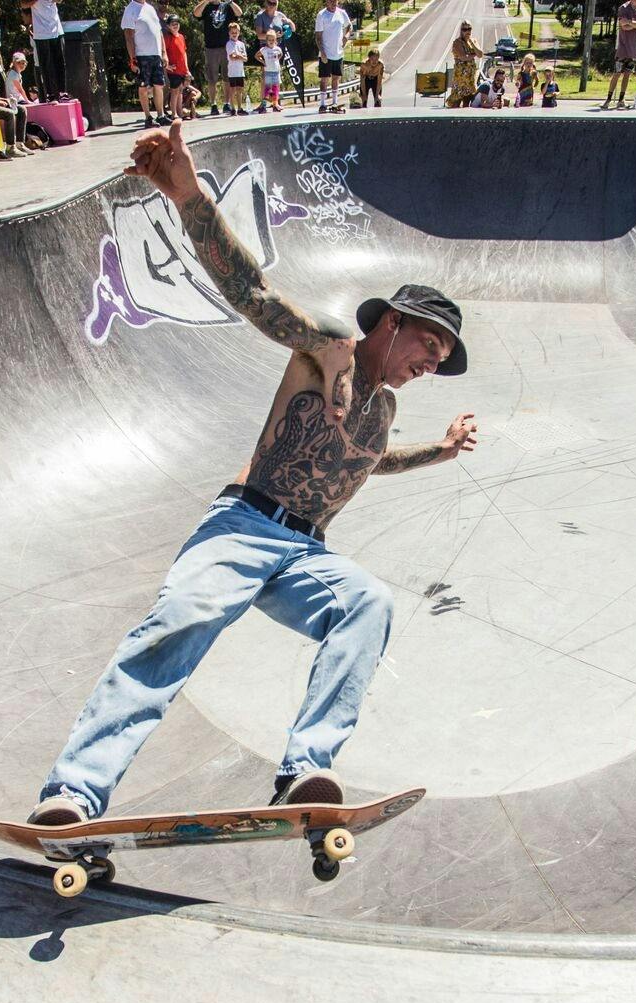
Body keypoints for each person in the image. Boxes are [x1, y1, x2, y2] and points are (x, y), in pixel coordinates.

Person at [27, 119, 476, 828]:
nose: (430, 363)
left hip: (305, 556)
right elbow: (251, 293)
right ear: (391, 323)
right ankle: (73, 793)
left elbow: (370, 463)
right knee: (176, 626)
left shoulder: (382, 411)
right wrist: (185, 194)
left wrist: (440, 452)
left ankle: (307, 770)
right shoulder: (326, 351)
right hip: (242, 525)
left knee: (368, 604)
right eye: (428, 344)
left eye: (441, 357)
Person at [123, 0, 169, 126]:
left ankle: (161, 115)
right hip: (142, 55)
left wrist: (164, 53)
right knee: (143, 86)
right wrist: (132, 58)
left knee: (159, 85)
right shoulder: (130, 9)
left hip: (156, 54)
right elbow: (128, 36)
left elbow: (158, 32)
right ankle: (148, 117)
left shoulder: (150, 8)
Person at [194, 0, 241, 112]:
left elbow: (239, 13)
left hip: (226, 47)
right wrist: (205, 1)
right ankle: (213, 104)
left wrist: (230, 2)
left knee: (227, 76)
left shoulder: (227, 6)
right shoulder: (207, 6)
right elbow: (196, 13)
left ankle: (227, 103)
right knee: (212, 78)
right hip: (211, 47)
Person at [253, 0, 296, 110]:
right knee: (265, 77)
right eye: (270, 3)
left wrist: (289, 22)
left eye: (274, 3)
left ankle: (275, 102)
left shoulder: (281, 15)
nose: (272, 5)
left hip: (278, 49)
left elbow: (292, 29)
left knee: (276, 77)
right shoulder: (260, 16)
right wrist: (273, 36)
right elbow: (259, 35)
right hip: (265, 49)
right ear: (266, 3)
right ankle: (263, 102)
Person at [605, 0, 636, 107]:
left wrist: (629, 22)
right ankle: (608, 99)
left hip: (634, 49)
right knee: (617, 73)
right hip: (622, 48)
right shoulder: (623, 8)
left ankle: (621, 99)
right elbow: (623, 25)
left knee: (627, 74)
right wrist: (635, 24)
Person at [314, 0, 353, 112]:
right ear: (327, 2)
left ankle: (335, 102)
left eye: (335, 1)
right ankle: (322, 103)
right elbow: (318, 36)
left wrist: (346, 35)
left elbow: (349, 26)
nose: (333, 3)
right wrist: (322, 52)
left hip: (338, 52)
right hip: (326, 52)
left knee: (336, 78)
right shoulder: (322, 15)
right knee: (324, 79)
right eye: (331, 1)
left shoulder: (342, 13)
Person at [25, 0, 68, 100]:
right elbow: (23, 4)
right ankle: (50, 94)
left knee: (60, 63)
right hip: (41, 33)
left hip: (56, 29)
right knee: (45, 66)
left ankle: (63, 92)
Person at [162, 14, 191, 119]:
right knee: (174, 91)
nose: (175, 26)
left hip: (182, 69)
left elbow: (184, 53)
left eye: (177, 24)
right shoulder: (167, 38)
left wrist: (187, 69)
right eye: (173, 24)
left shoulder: (181, 37)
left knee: (180, 91)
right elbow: (163, 52)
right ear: (168, 26)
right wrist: (167, 66)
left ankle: (180, 113)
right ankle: (174, 113)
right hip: (173, 70)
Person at [447, 23, 483, 107]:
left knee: (468, 101)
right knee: (456, 102)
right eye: (464, 29)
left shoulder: (473, 41)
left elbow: (480, 54)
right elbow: (463, 57)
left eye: (469, 29)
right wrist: (474, 54)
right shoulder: (457, 42)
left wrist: (472, 44)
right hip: (460, 78)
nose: (467, 31)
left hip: (470, 77)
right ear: (461, 31)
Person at [258, 28, 285, 110]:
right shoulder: (264, 49)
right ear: (266, 40)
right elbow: (257, 55)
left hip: (276, 71)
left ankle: (275, 104)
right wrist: (263, 62)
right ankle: (263, 104)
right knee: (267, 89)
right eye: (269, 40)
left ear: (275, 40)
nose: (271, 41)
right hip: (268, 71)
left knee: (275, 88)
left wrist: (277, 59)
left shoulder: (277, 49)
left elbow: (281, 54)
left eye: (273, 40)